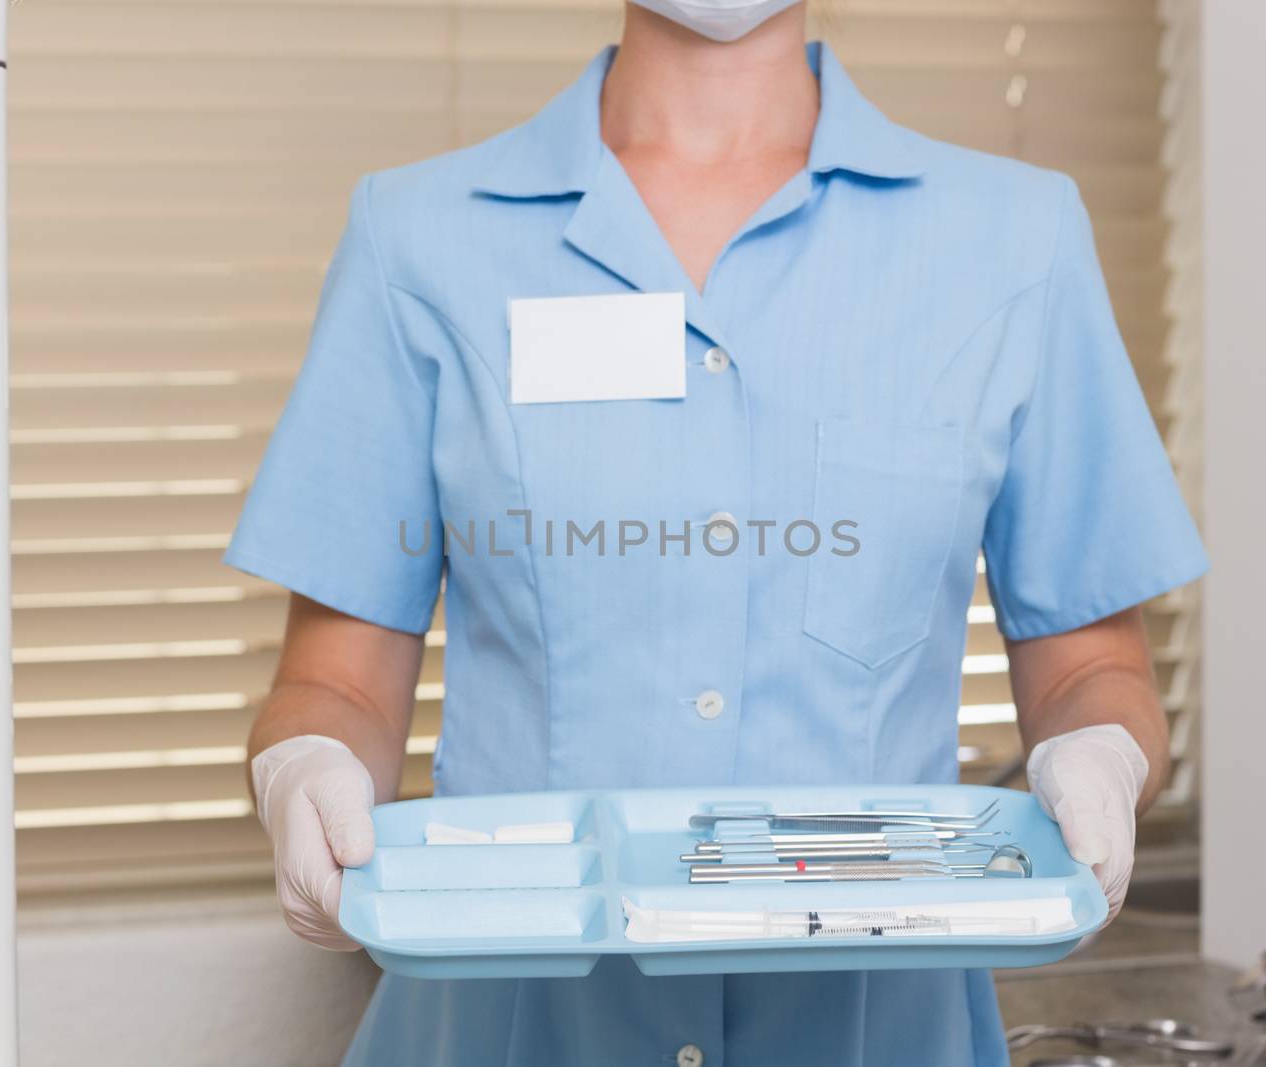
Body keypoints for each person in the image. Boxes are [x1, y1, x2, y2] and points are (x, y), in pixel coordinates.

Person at [225, 0, 1208, 1061]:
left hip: (878, 1026)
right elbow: (340, 682)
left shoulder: (1013, 240)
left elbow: (1086, 666)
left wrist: (1099, 755)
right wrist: (308, 768)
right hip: (508, 1026)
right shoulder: (417, 238)